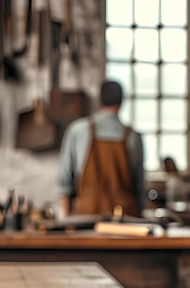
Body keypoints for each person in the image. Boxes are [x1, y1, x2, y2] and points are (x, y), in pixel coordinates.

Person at [57, 80, 144, 218]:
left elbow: (64, 181)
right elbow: (139, 188)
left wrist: (66, 223)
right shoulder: (133, 137)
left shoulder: (77, 130)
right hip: (125, 221)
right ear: (121, 102)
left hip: (85, 218)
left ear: (99, 101)